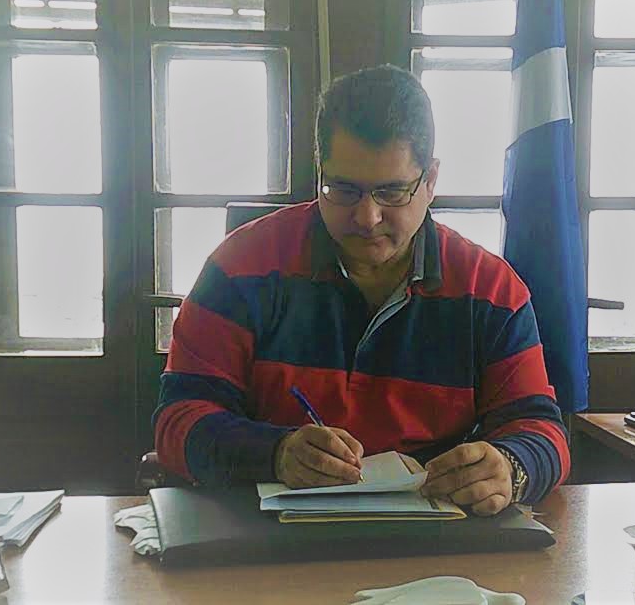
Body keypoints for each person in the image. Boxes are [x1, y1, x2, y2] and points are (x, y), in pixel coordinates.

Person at [154, 64, 570, 516]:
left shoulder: (490, 290)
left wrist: (509, 467)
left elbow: (542, 432)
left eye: (392, 192)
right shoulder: (240, 267)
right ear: (320, 172)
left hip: (437, 539)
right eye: (344, 190)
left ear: (430, 181)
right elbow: (178, 421)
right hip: (270, 535)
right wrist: (275, 453)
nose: (367, 218)